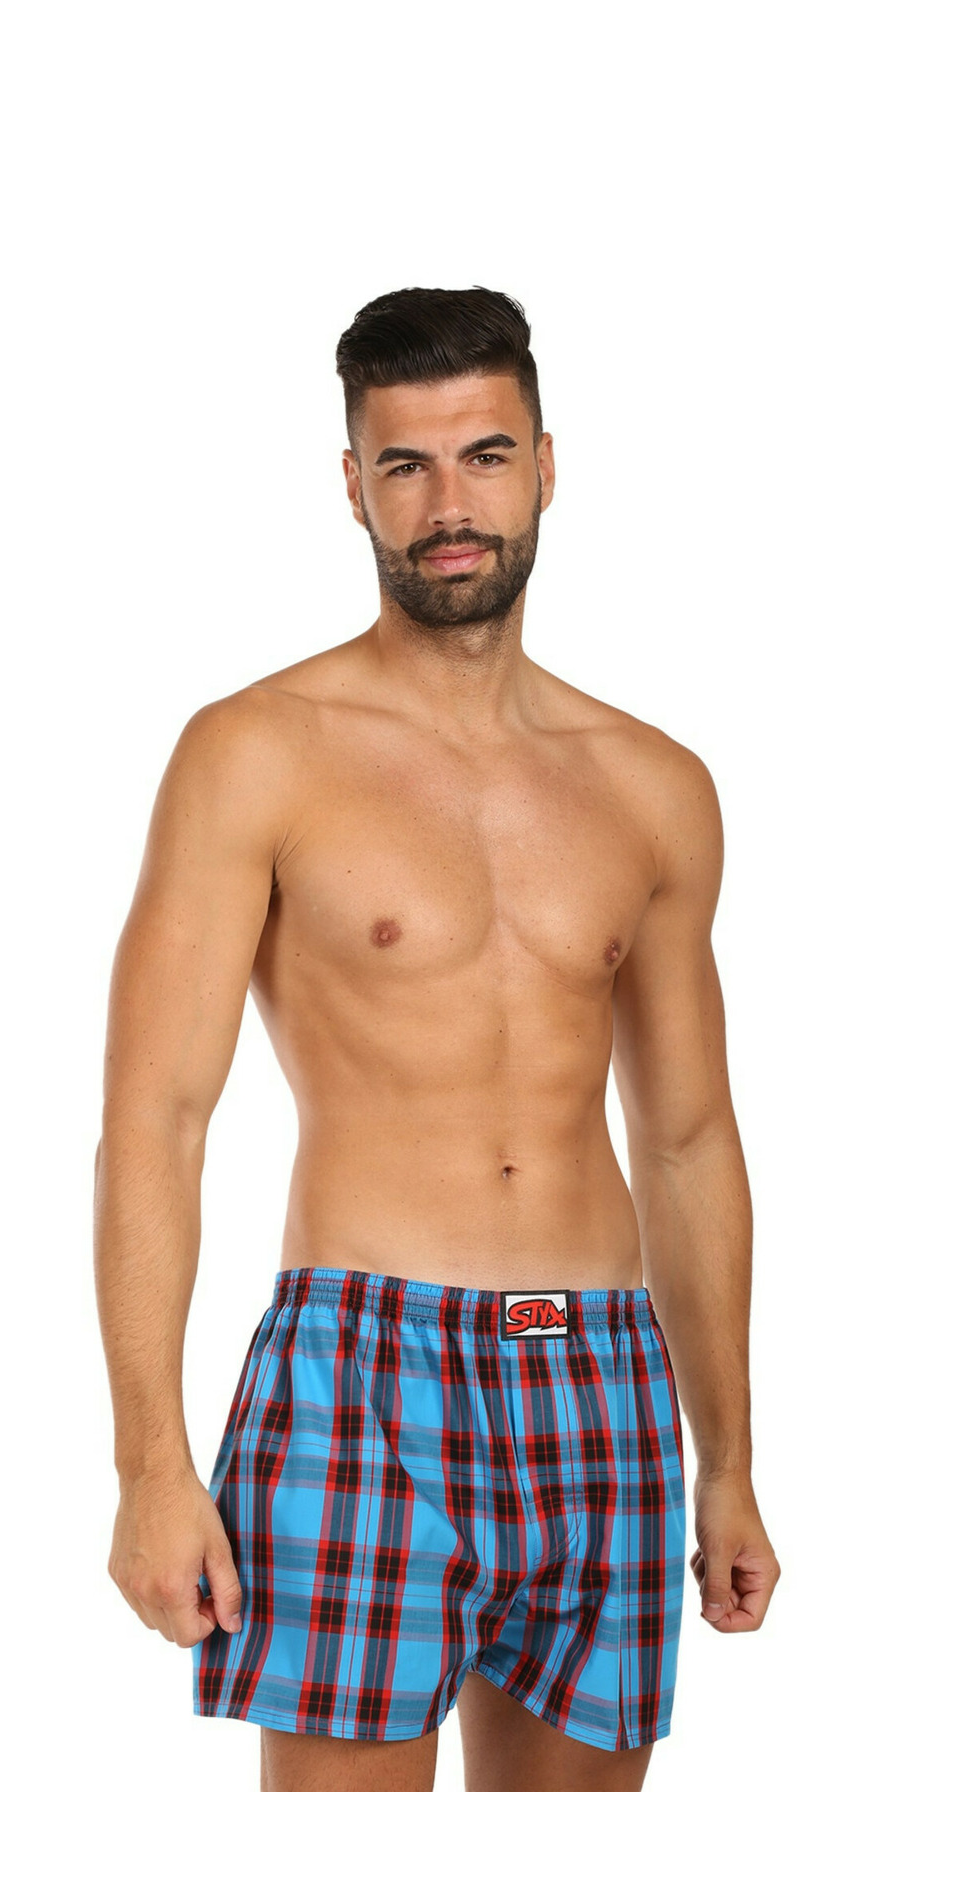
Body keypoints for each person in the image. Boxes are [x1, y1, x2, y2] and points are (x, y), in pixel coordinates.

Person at [94, 286, 779, 1793]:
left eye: (484, 456)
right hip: (360, 1368)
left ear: (547, 464)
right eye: (405, 465)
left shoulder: (654, 784)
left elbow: (686, 1137)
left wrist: (728, 1459)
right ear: (353, 485)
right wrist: (151, 1462)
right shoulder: (256, 752)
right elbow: (157, 1117)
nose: (448, 506)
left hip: (602, 1371)